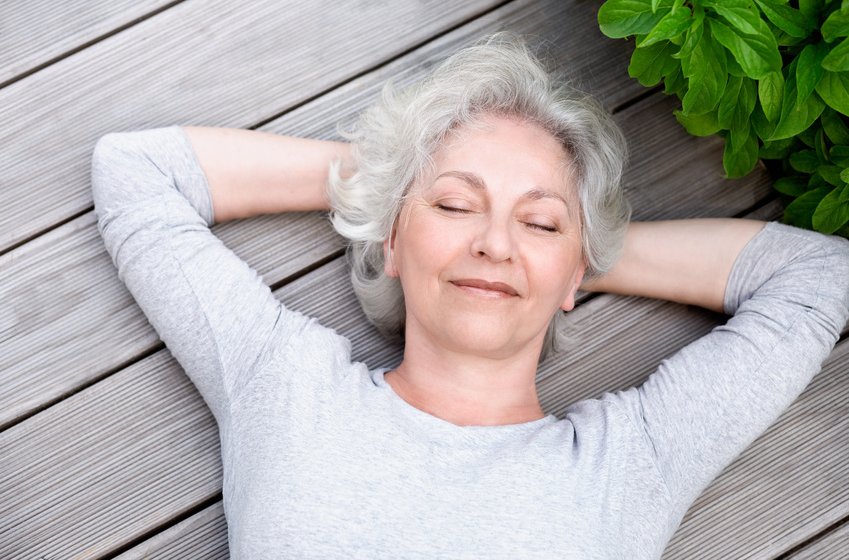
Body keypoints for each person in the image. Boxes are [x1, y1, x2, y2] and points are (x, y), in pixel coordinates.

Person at [91, 35, 849, 559]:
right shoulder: (285, 388)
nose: (494, 242)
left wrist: (578, 255)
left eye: (539, 220)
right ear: (391, 239)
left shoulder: (633, 460)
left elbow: (818, 276)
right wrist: (393, 181)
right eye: (455, 207)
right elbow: (136, 172)